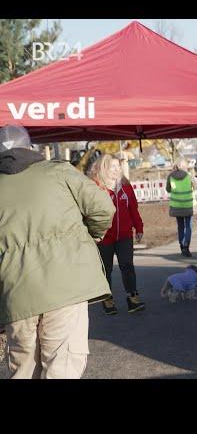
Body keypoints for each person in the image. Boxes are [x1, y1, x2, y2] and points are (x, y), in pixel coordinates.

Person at [0, 125, 115, 379]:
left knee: (23, 372)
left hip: (16, 294)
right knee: (62, 367)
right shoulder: (59, 172)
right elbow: (103, 209)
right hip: (67, 285)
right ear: (30, 147)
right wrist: (91, 236)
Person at [90, 154, 146, 314]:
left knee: (127, 265)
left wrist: (139, 227)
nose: (117, 169)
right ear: (104, 168)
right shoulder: (95, 187)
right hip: (104, 237)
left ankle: (132, 298)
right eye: (113, 166)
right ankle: (107, 299)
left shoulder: (126, 186)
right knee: (106, 269)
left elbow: (133, 209)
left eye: (118, 166)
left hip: (124, 236)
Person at [166, 158, 197, 257]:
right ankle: (186, 246)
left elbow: (168, 189)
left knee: (180, 226)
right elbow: (196, 186)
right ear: (185, 167)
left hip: (176, 205)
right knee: (188, 226)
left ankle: (181, 245)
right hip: (188, 205)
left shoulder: (170, 177)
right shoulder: (189, 176)